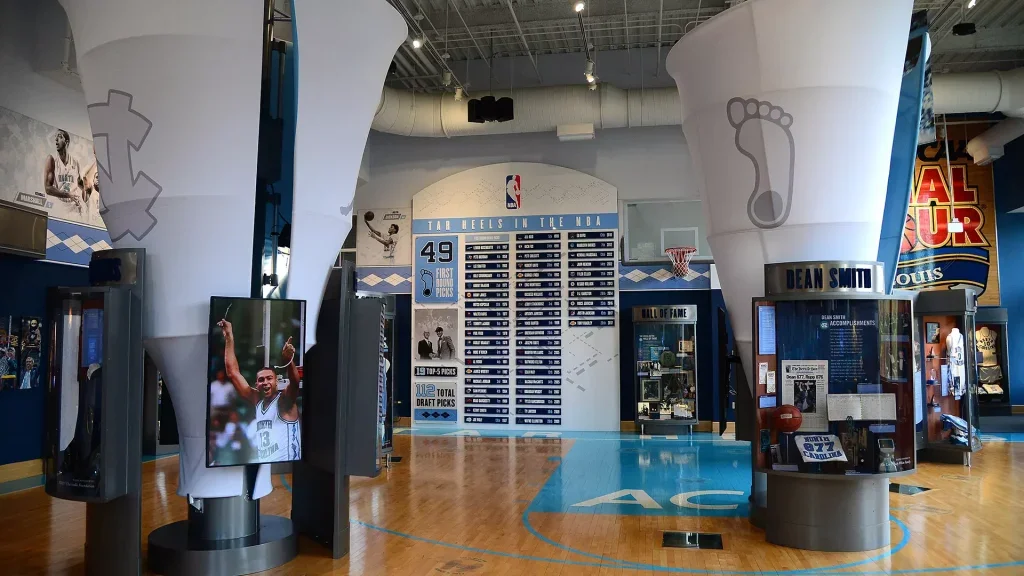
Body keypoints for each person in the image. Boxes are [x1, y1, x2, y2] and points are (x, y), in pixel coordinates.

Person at [218, 319, 301, 462]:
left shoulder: (284, 401)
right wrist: (229, 337)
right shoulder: (257, 400)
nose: (265, 382)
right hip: (265, 463)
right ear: (256, 384)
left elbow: (294, 382)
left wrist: (289, 360)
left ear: (276, 382)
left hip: (286, 464)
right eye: (261, 380)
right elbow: (233, 373)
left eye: (269, 378)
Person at [43, 129, 84, 216]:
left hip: (74, 207)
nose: (56, 139)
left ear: (67, 142)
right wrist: (68, 194)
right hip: (59, 206)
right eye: (55, 137)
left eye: (60, 136)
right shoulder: (52, 160)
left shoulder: (75, 162)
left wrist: (88, 193)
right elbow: (48, 189)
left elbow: (80, 182)